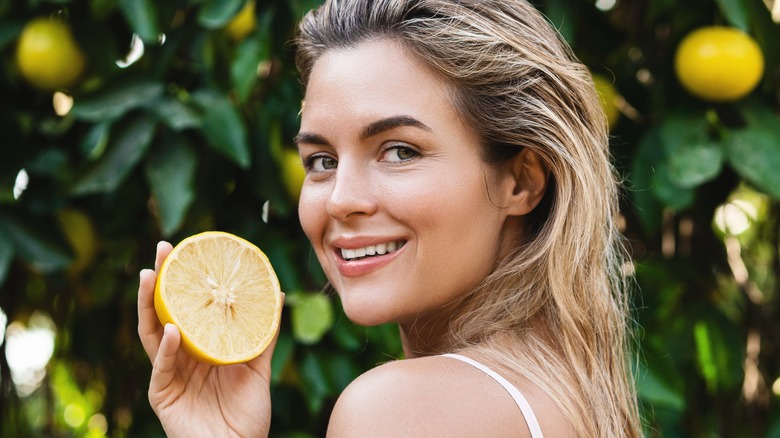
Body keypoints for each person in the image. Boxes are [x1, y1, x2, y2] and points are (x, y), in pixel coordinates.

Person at [137, 0, 642, 436]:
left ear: (522, 181)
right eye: (321, 161)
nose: (340, 199)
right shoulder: (576, 399)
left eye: (399, 152)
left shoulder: (396, 411)